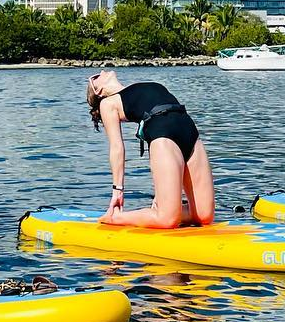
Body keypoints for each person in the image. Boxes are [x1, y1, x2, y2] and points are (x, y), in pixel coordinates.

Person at [86, 70, 215, 228]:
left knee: (204, 216)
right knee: (167, 220)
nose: (101, 71)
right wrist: (117, 190)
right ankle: (114, 218)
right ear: (98, 90)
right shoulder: (108, 103)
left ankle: (165, 206)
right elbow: (117, 147)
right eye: (95, 77)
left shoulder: (136, 87)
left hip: (189, 131)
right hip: (162, 134)